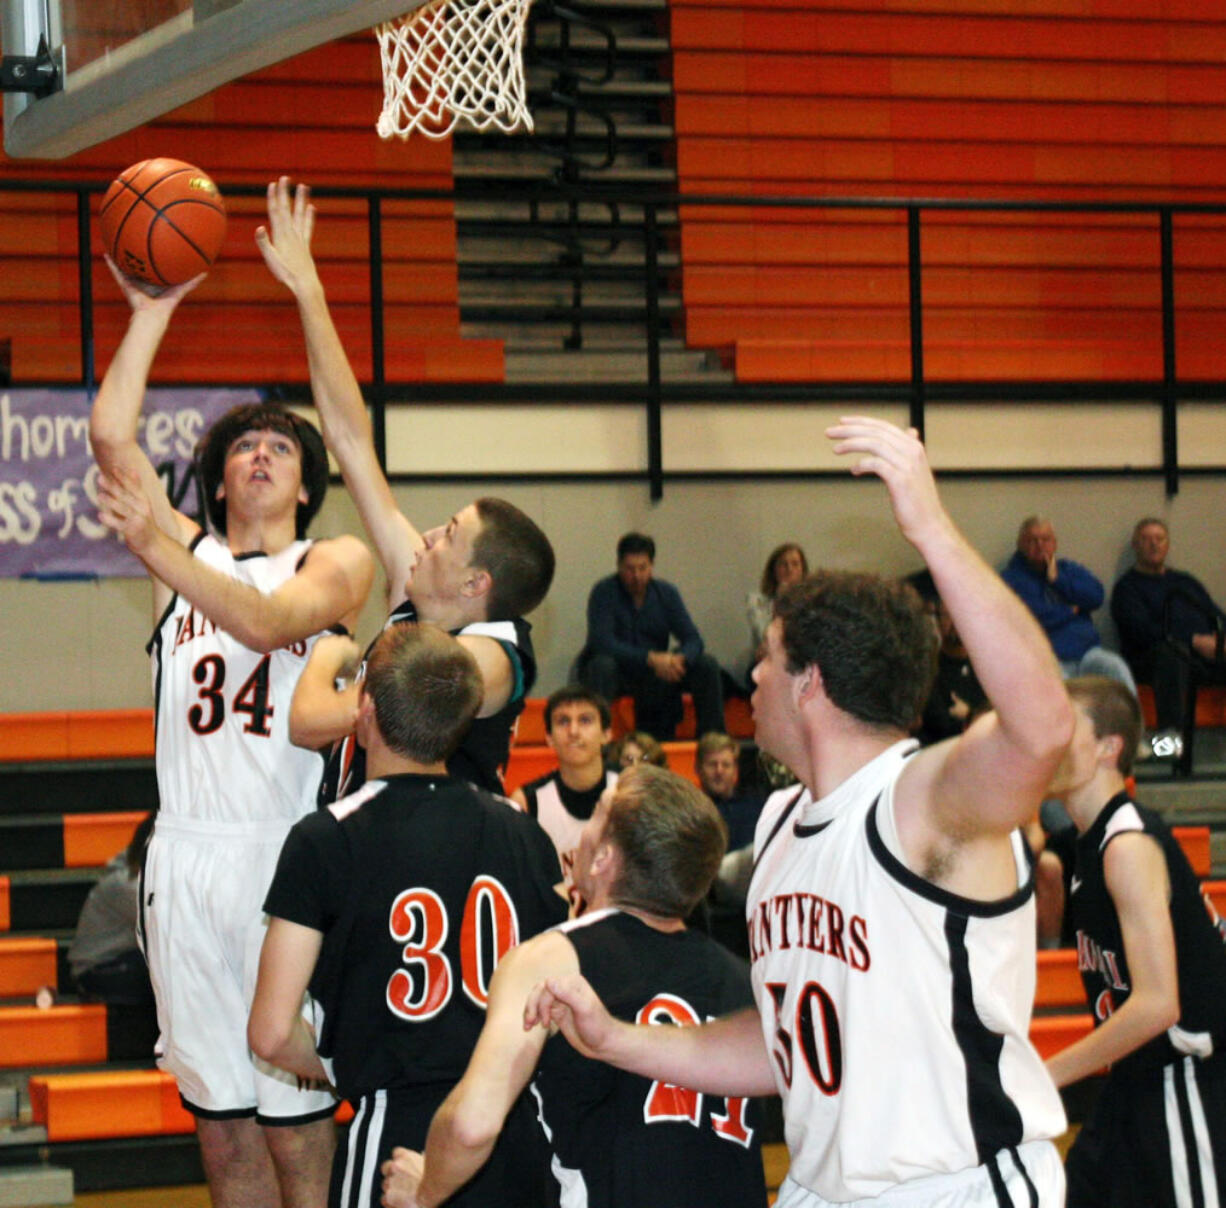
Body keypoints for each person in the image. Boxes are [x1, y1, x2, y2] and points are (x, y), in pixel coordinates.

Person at [525, 416, 1074, 1206]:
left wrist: (932, 530)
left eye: (770, 656)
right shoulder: (782, 823)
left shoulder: (915, 803)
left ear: (811, 683)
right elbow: (783, 1044)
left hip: (950, 1187)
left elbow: (1042, 726)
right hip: (823, 1188)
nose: (750, 672)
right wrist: (618, 1041)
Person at [90, 261, 375, 1208]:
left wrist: (163, 550)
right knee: (224, 1137)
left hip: (285, 861)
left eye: (281, 447)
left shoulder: (332, 560)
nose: (260, 453)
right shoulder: (185, 558)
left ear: (307, 481)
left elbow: (265, 622)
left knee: (297, 1130)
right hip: (183, 859)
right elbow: (109, 437)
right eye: (244, 444)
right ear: (216, 479)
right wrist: (152, 313)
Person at [249, 623, 567, 1208]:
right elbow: (559, 998)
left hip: (396, 1128)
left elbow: (269, 1033)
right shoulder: (525, 833)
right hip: (510, 1130)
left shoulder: (324, 838)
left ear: (364, 708)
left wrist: (349, 1067)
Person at [255, 177, 554, 797]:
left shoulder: (494, 657)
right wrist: (309, 292)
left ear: (478, 583)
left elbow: (311, 723)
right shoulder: (416, 593)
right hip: (374, 852)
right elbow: (348, 439)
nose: (427, 537)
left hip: (445, 872)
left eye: (449, 535)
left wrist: (332, 661)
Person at [379, 763, 768, 1208]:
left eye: (597, 815)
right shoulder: (745, 981)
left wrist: (425, 1189)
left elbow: (473, 1124)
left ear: (603, 857)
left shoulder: (554, 957)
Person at [1045, 675, 1226, 1208]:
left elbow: (1157, 1004)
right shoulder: (1088, 844)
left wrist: (1046, 1074)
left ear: (1110, 747)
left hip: (1185, 1082)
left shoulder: (1126, 845)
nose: (1046, 737)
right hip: (1133, 1085)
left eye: (1063, 725)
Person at [578, 532, 723, 741]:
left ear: (651, 566)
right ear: (619, 566)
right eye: (630, 569)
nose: (636, 575)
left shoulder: (666, 593)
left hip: (658, 673)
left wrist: (679, 659)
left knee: (706, 664)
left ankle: (713, 742)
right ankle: (596, 740)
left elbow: (693, 639)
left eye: (642, 568)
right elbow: (602, 642)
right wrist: (650, 658)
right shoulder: (604, 592)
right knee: (602, 665)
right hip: (621, 671)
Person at [1111, 516, 1226, 753]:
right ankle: (1169, 742)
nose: (1153, 545)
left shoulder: (1185, 582)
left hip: (1203, 658)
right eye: (1146, 539)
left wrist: (1221, 640)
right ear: (1136, 546)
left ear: (1167, 545)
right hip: (1153, 659)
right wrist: (1193, 640)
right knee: (1172, 652)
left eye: (1159, 539)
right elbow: (1141, 631)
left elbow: (1216, 615)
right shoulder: (1127, 587)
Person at [1001, 516, 1137, 694]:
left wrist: (1058, 580)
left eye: (1045, 539)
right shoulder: (1011, 579)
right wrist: (1070, 610)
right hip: (1048, 659)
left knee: (1116, 667)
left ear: (1055, 544)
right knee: (1063, 688)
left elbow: (1096, 597)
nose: (1040, 545)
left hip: (1087, 653)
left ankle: (1134, 723)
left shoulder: (1068, 570)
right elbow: (1031, 618)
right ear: (1020, 544)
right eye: (1032, 540)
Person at [510, 685, 617, 865]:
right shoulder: (527, 803)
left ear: (606, 734)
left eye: (585, 720)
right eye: (563, 721)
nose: (573, 731)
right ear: (549, 738)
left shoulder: (633, 789)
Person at [915, 596, 989, 745]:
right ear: (938, 622)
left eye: (961, 614)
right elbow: (941, 725)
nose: (956, 622)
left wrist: (968, 714)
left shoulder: (986, 661)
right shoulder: (929, 669)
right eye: (948, 615)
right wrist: (975, 716)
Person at [695, 732, 765, 853]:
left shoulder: (756, 807)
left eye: (726, 765)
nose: (719, 771)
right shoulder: (690, 811)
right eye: (712, 764)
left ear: (735, 770)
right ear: (698, 769)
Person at [747, 542, 808, 657]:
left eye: (795, 564)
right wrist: (781, 603)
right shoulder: (756, 601)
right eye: (783, 564)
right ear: (774, 570)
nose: (789, 569)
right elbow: (764, 638)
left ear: (803, 570)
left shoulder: (812, 601)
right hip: (767, 658)